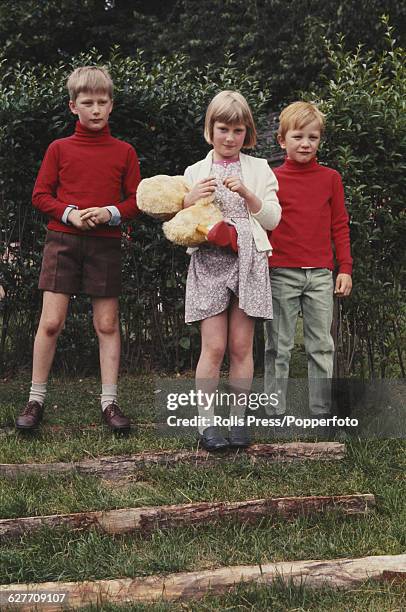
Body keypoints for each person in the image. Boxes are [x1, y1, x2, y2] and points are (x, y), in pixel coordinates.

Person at [15, 66, 141, 432]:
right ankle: (35, 400)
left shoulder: (124, 151)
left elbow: (136, 200)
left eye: (103, 102)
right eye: (88, 102)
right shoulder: (59, 148)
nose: (96, 109)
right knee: (51, 322)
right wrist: (70, 214)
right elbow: (40, 195)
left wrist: (110, 212)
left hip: (106, 245)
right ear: (73, 106)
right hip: (63, 242)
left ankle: (110, 404)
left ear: (111, 105)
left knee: (106, 324)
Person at [183, 90, 281, 451]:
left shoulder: (259, 169)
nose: (229, 137)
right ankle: (206, 424)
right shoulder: (195, 171)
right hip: (210, 260)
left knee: (241, 346)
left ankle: (238, 421)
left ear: (247, 133)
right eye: (223, 128)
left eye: (238, 131)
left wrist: (249, 196)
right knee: (214, 346)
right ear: (211, 129)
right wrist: (190, 200)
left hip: (248, 259)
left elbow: (273, 218)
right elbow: (182, 222)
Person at [264, 101, 352, 427]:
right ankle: (274, 411)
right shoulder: (271, 179)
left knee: (321, 346)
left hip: (320, 274)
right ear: (281, 140)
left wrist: (345, 268)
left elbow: (339, 225)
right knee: (278, 346)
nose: (305, 144)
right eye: (298, 136)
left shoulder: (331, 178)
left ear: (319, 140)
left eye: (313, 137)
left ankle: (321, 411)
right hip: (281, 272)